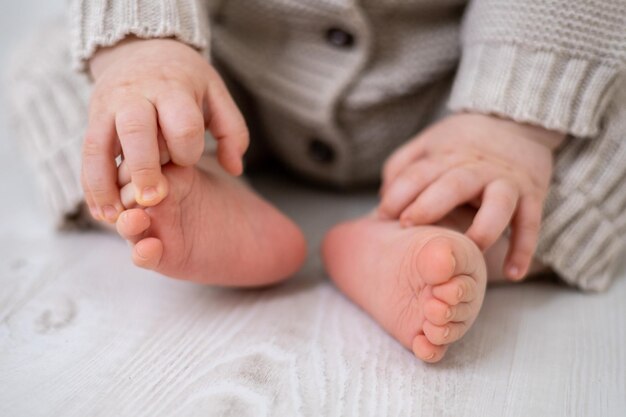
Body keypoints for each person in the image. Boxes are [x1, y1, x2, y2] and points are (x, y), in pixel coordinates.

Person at [7, 0, 626, 362]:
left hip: (469, 95)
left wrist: (512, 123)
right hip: (220, 87)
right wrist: (145, 44)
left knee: (608, 124)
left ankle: (445, 226)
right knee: (59, 69)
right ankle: (174, 179)